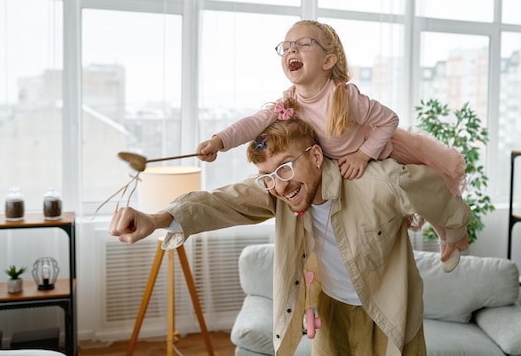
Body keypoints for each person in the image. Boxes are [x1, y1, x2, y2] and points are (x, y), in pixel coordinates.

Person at [110, 116, 471, 356]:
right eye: (268, 176)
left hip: (390, 309)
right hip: (331, 309)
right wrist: (156, 219)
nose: (279, 186)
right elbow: (219, 202)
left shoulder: (378, 182)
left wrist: (452, 232)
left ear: (315, 156)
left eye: (284, 167)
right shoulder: (276, 191)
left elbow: (435, 192)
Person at [195, 19, 467, 269]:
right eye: (287, 47)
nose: (292, 51)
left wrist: (363, 155)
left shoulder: (344, 97)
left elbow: (389, 120)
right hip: (334, 167)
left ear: (328, 61)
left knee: (416, 188)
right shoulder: (289, 102)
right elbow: (254, 122)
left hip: (376, 155)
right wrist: (219, 141)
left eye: (303, 45)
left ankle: (451, 229)